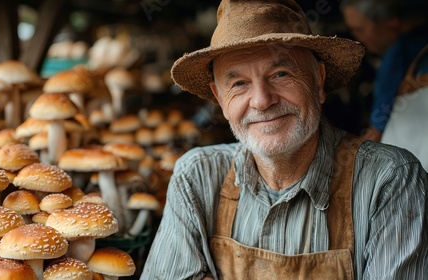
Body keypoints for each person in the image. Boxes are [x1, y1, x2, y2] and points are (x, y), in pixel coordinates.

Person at [141, 0, 428, 279]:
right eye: (239, 83)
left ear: (318, 81)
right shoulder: (197, 177)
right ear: (220, 99)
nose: (262, 101)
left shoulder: (390, 180)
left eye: (281, 74)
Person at [341, 0, 428, 142]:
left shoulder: (397, 55)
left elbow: (375, 132)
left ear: (391, 21)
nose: (357, 38)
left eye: (360, 30)